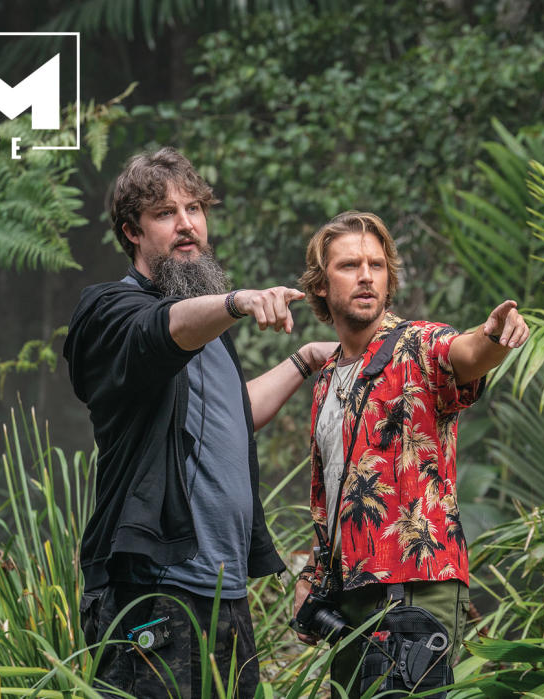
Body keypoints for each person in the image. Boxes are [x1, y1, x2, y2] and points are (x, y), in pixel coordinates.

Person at [64, 147, 335, 697]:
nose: (187, 225)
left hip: (224, 591)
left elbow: (232, 416)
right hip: (154, 590)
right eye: (165, 213)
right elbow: (160, 330)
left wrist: (305, 359)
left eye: (195, 208)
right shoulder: (111, 312)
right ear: (131, 232)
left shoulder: (208, 330)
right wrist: (235, 301)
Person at [290, 211, 529, 696]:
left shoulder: (416, 346)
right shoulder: (328, 380)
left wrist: (494, 337)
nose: (365, 276)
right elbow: (333, 497)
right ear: (320, 285)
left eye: (376, 265)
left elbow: (462, 355)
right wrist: (315, 578)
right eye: (349, 265)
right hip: (349, 592)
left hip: (413, 587)